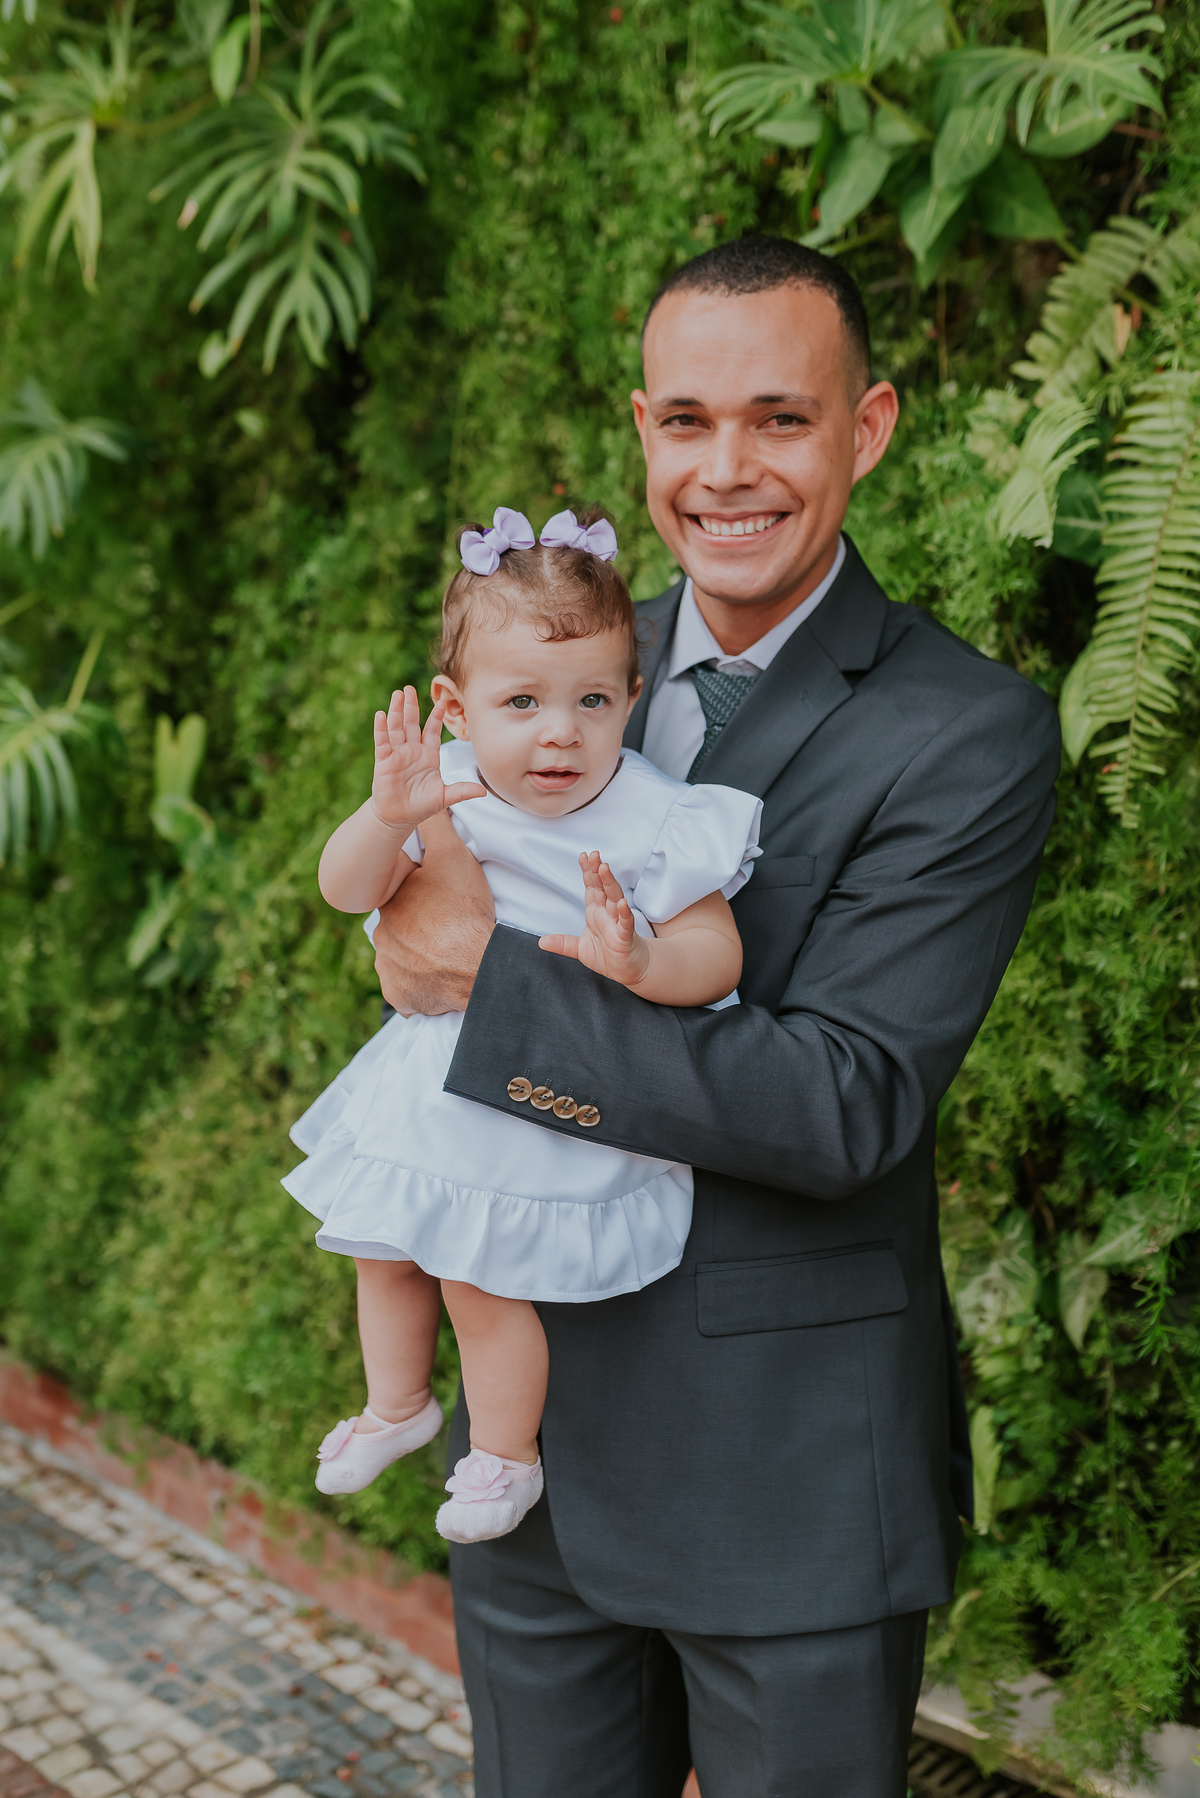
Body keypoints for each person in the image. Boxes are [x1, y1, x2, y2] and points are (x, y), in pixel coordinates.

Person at [371, 237, 1061, 1797]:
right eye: (686, 422)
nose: (727, 469)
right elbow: (425, 922)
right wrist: (411, 942)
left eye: (780, 419)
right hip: (535, 1447)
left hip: (788, 1476)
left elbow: (842, 1101)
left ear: (867, 428)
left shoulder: (968, 732)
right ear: (641, 432)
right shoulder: (548, 674)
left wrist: (488, 986)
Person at [282, 505, 761, 1546]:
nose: (561, 731)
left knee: (477, 1278)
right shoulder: (447, 789)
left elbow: (715, 950)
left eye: (593, 700)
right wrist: (386, 814)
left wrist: (642, 958)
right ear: (455, 707)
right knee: (380, 1245)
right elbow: (344, 890)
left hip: (548, 1101)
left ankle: (504, 1455)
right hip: (431, 1087)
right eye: (524, 701)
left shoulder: (655, 814)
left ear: (633, 698)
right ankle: (397, 1404)